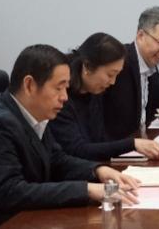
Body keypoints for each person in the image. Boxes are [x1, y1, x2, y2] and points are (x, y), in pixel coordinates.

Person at [0, 44, 140, 229]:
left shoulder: (33, 114)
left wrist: (98, 170)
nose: (64, 97)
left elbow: (57, 160)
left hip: (26, 224)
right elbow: (9, 192)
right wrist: (87, 190)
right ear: (29, 85)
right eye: (58, 88)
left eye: (66, 88)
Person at [50, 32, 144, 161]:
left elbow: (100, 140)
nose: (113, 82)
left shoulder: (94, 91)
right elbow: (77, 150)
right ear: (88, 67)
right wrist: (131, 144)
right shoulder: (62, 98)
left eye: (116, 75)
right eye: (110, 75)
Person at [103, 7, 159, 159]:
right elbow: (115, 128)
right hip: (116, 156)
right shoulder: (121, 65)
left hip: (138, 148)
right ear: (141, 36)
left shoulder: (148, 66)